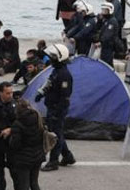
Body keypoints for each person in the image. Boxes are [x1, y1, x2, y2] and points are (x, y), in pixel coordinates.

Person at [37, 44, 75, 172]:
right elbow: (49, 83)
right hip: (52, 107)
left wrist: (57, 112)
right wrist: (41, 93)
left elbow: (65, 97)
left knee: (54, 135)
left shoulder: (64, 75)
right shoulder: (56, 71)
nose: (50, 59)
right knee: (57, 132)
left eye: (53, 57)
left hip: (57, 109)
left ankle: (53, 161)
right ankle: (68, 156)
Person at [7, 100, 45, 190]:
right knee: (34, 183)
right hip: (37, 156)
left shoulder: (17, 124)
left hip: (23, 160)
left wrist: (10, 139)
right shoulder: (38, 118)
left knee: (24, 185)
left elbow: (15, 144)